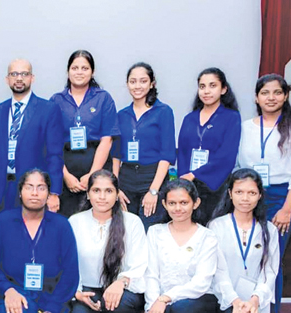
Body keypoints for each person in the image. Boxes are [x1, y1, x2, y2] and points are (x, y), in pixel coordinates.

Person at [235, 73, 291, 313]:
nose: (271, 98)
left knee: (272, 258)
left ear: (286, 95)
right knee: (246, 255)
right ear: (256, 97)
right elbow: (237, 166)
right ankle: (242, 310)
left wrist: (287, 209)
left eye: (276, 92)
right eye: (265, 93)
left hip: (283, 198)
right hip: (249, 197)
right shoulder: (246, 127)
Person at [0, 169, 79, 313]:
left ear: (49, 194)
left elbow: (71, 275)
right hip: (18, 296)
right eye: (29, 187)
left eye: (41, 188)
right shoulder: (3, 222)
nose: (35, 193)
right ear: (20, 192)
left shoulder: (62, 225)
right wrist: (7, 290)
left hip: (51, 298)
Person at [69, 170, 147, 313]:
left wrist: (121, 282)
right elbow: (68, 264)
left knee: (120, 305)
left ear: (117, 194)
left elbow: (141, 263)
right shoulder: (75, 221)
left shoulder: (133, 222)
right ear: (88, 194)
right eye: (96, 190)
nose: (102, 197)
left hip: (124, 290)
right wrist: (77, 293)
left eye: (108, 191)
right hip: (88, 289)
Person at [209, 169, 280, 313]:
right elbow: (218, 272)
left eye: (251, 193)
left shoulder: (269, 230)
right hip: (228, 299)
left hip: (257, 302)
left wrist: (255, 300)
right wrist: (236, 302)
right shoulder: (216, 227)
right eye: (239, 192)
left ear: (259, 195)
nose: (245, 198)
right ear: (230, 194)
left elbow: (270, 271)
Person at [145, 179, 218, 313]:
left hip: (195, 300)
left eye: (184, 203)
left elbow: (202, 282)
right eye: (172, 203)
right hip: (162, 301)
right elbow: (151, 274)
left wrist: (165, 299)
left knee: (182, 309)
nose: (178, 208)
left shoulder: (207, 237)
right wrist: (152, 307)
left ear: (196, 203)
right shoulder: (155, 232)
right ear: (164, 204)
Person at [0, 59, 64, 215]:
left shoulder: (48, 110)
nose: (19, 78)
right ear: (7, 79)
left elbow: (55, 155)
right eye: (14, 74)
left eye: (24, 74)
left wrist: (53, 193)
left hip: (34, 190)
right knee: (4, 235)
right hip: (2, 189)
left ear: (32, 78)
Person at [50, 50, 119, 217]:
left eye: (84, 68)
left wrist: (93, 175)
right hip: (66, 168)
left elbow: (107, 140)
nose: (79, 72)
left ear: (92, 72)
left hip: (97, 166)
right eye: (75, 68)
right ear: (68, 72)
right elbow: (52, 143)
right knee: (68, 222)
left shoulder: (103, 98)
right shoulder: (56, 100)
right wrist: (64, 175)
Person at [111, 62, 175, 230]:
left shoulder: (163, 111)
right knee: (126, 232)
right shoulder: (122, 114)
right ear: (127, 84)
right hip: (126, 179)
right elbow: (116, 154)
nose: (137, 86)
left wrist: (154, 191)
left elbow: (167, 154)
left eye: (143, 81)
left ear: (152, 83)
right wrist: (115, 186)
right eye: (133, 81)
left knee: (149, 231)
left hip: (153, 177)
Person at [176, 67, 241, 225]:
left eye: (213, 86)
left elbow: (226, 156)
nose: (206, 91)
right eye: (202, 86)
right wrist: (185, 179)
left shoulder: (231, 118)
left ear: (223, 89)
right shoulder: (189, 118)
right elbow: (183, 152)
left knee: (212, 230)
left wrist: (196, 174)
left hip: (215, 186)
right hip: (189, 185)